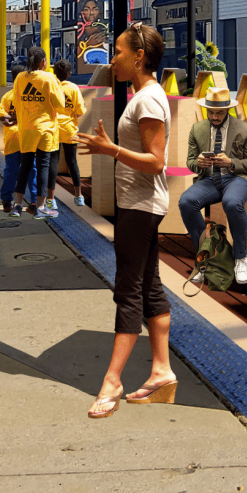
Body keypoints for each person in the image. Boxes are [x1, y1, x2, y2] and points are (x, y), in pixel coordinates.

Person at [79, 24, 176, 418]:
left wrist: (111, 149)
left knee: (128, 290)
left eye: (118, 51)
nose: (112, 58)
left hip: (140, 206)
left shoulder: (147, 100)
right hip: (140, 204)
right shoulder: (144, 96)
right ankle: (161, 372)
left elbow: (156, 162)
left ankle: (112, 381)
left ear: (139, 56)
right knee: (149, 286)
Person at [179, 82, 247, 286]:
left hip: (238, 177)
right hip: (209, 179)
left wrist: (231, 163)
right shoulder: (197, 129)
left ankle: (240, 257)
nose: (214, 117)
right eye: (211, 112)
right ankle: (205, 258)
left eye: (219, 113)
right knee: (186, 202)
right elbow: (190, 162)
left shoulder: (245, 129)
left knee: (232, 202)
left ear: (228, 110)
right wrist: (198, 163)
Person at [10, 46, 65, 220]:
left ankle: (17, 205)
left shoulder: (20, 78)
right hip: (45, 129)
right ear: (43, 62)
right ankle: (40, 207)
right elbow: (60, 104)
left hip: (27, 128)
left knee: (25, 166)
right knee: (43, 166)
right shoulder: (49, 78)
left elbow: (16, 101)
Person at [0, 65, 38, 215]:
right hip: (29, 138)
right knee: (32, 170)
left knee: (11, 171)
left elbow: (2, 117)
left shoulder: (8, 96)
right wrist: (21, 118)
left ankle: (6, 201)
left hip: (12, 139)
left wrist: (12, 118)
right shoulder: (30, 95)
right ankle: (34, 202)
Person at [50, 58, 87, 209]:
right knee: (72, 162)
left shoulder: (51, 87)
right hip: (70, 129)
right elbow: (80, 111)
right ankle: (79, 196)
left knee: (53, 162)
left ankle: (51, 199)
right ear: (70, 73)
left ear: (54, 73)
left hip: (53, 129)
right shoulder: (73, 88)